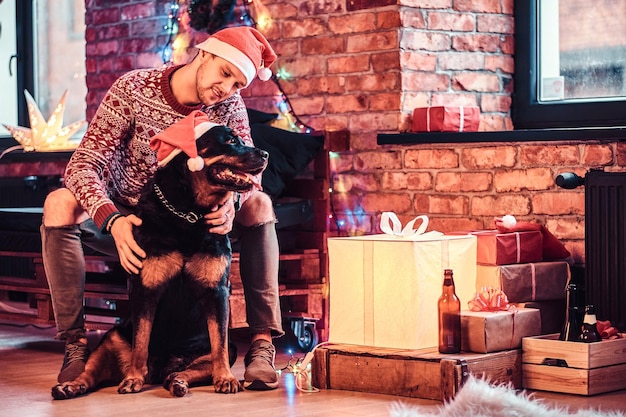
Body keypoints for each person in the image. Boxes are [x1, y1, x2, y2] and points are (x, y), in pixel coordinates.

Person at [40, 26, 284, 391]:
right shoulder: (134, 88)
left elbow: (253, 169)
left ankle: (262, 343)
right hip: (130, 219)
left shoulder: (228, 106)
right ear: (205, 54)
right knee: (57, 202)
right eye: (225, 73)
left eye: (237, 84)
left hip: (194, 225)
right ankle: (76, 344)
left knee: (260, 204)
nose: (227, 88)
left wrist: (234, 203)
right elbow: (82, 164)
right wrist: (114, 220)